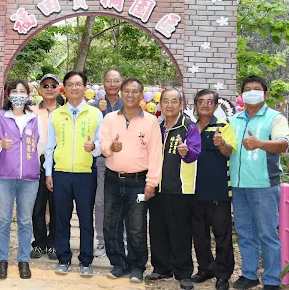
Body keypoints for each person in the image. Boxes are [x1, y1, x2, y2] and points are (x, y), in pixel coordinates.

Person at [98, 78, 162, 283]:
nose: (130, 95)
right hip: (113, 180)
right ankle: (118, 264)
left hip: (139, 182)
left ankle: (136, 266)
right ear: (121, 93)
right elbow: (103, 145)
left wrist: (151, 182)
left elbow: (155, 154)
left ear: (141, 95)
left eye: (135, 92)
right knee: (110, 224)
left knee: (136, 227)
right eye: (126, 91)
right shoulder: (109, 118)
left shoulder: (151, 121)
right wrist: (110, 149)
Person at [230, 76, 289, 290]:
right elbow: (229, 150)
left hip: (264, 185)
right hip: (239, 184)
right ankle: (249, 274)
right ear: (242, 95)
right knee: (245, 232)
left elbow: (282, 145)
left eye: (257, 89)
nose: (252, 92)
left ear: (265, 94)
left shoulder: (275, 117)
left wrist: (259, 143)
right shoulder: (235, 119)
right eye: (248, 89)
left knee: (266, 233)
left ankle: (272, 280)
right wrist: (221, 145)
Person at [45, 71, 103, 277]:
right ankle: (63, 258)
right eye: (70, 84)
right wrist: (48, 172)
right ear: (65, 88)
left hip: (85, 174)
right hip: (60, 173)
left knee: (86, 219)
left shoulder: (95, 114)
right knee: (61, 218)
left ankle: (86, 261)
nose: (74, 88)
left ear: (85, 87)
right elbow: (50, 147)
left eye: (78, 84)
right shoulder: (57, 115)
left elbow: (101, 144)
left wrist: (94, 146)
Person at [0, 80, 45, 280]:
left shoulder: (34, 119)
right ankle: (2, 260)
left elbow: (41, 145)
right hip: (3, 176)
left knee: (24, 220)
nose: (19, 95)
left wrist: (32, 165)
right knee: (3, 219)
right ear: (8, 95)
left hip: (29, 179)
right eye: (15, 91)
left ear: (28, 95)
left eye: (23, 91)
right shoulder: (0, 116)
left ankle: (23, 260)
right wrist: (0, 144)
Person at [146, 88, 201, 290]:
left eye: (174, 101)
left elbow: (195, 152)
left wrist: (186, 152)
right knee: (158, 229)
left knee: (180, 232)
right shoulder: (157, 127)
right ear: (160, 104)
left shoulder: (188, 127)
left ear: (181, 104)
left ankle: (184, 272)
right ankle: (161, 268)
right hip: (157, 188)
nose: (169, 105)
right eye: (165, 101)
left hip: (180, 189)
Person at [190, 89, 236, 290]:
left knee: (222, 235)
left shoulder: (224, 126)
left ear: (216, 106)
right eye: (201, 101)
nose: (205, 105)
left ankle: (223, 274)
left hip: (218, 192)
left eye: (210, 102)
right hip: (194, 191)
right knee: (199, 234)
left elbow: (228, 151)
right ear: (195, 105)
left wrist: (221, 143)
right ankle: (205, 268)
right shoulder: (190, 128)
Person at [90, 68, 123, 258]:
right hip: (102, 160)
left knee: (124, 201)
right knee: (101, 202)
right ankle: (102, 241)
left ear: (121, 83)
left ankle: (123, 240)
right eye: (109, 80)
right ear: (103, 83)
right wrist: (99, 112)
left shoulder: (127, 103)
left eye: (116, 80)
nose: (112, 83)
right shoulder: (94, 106)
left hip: (124, 159)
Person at [29, 74, 61, 260]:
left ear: (58, 89)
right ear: (40, 90)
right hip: (36, 161)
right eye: (45, 85)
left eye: (53, 85)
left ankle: (53, 243)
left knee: (57, 205)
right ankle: (39, 242)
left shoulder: (65, 111)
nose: (49, 88)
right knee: (37, 205)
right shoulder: (31, 111)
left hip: (59, 162)